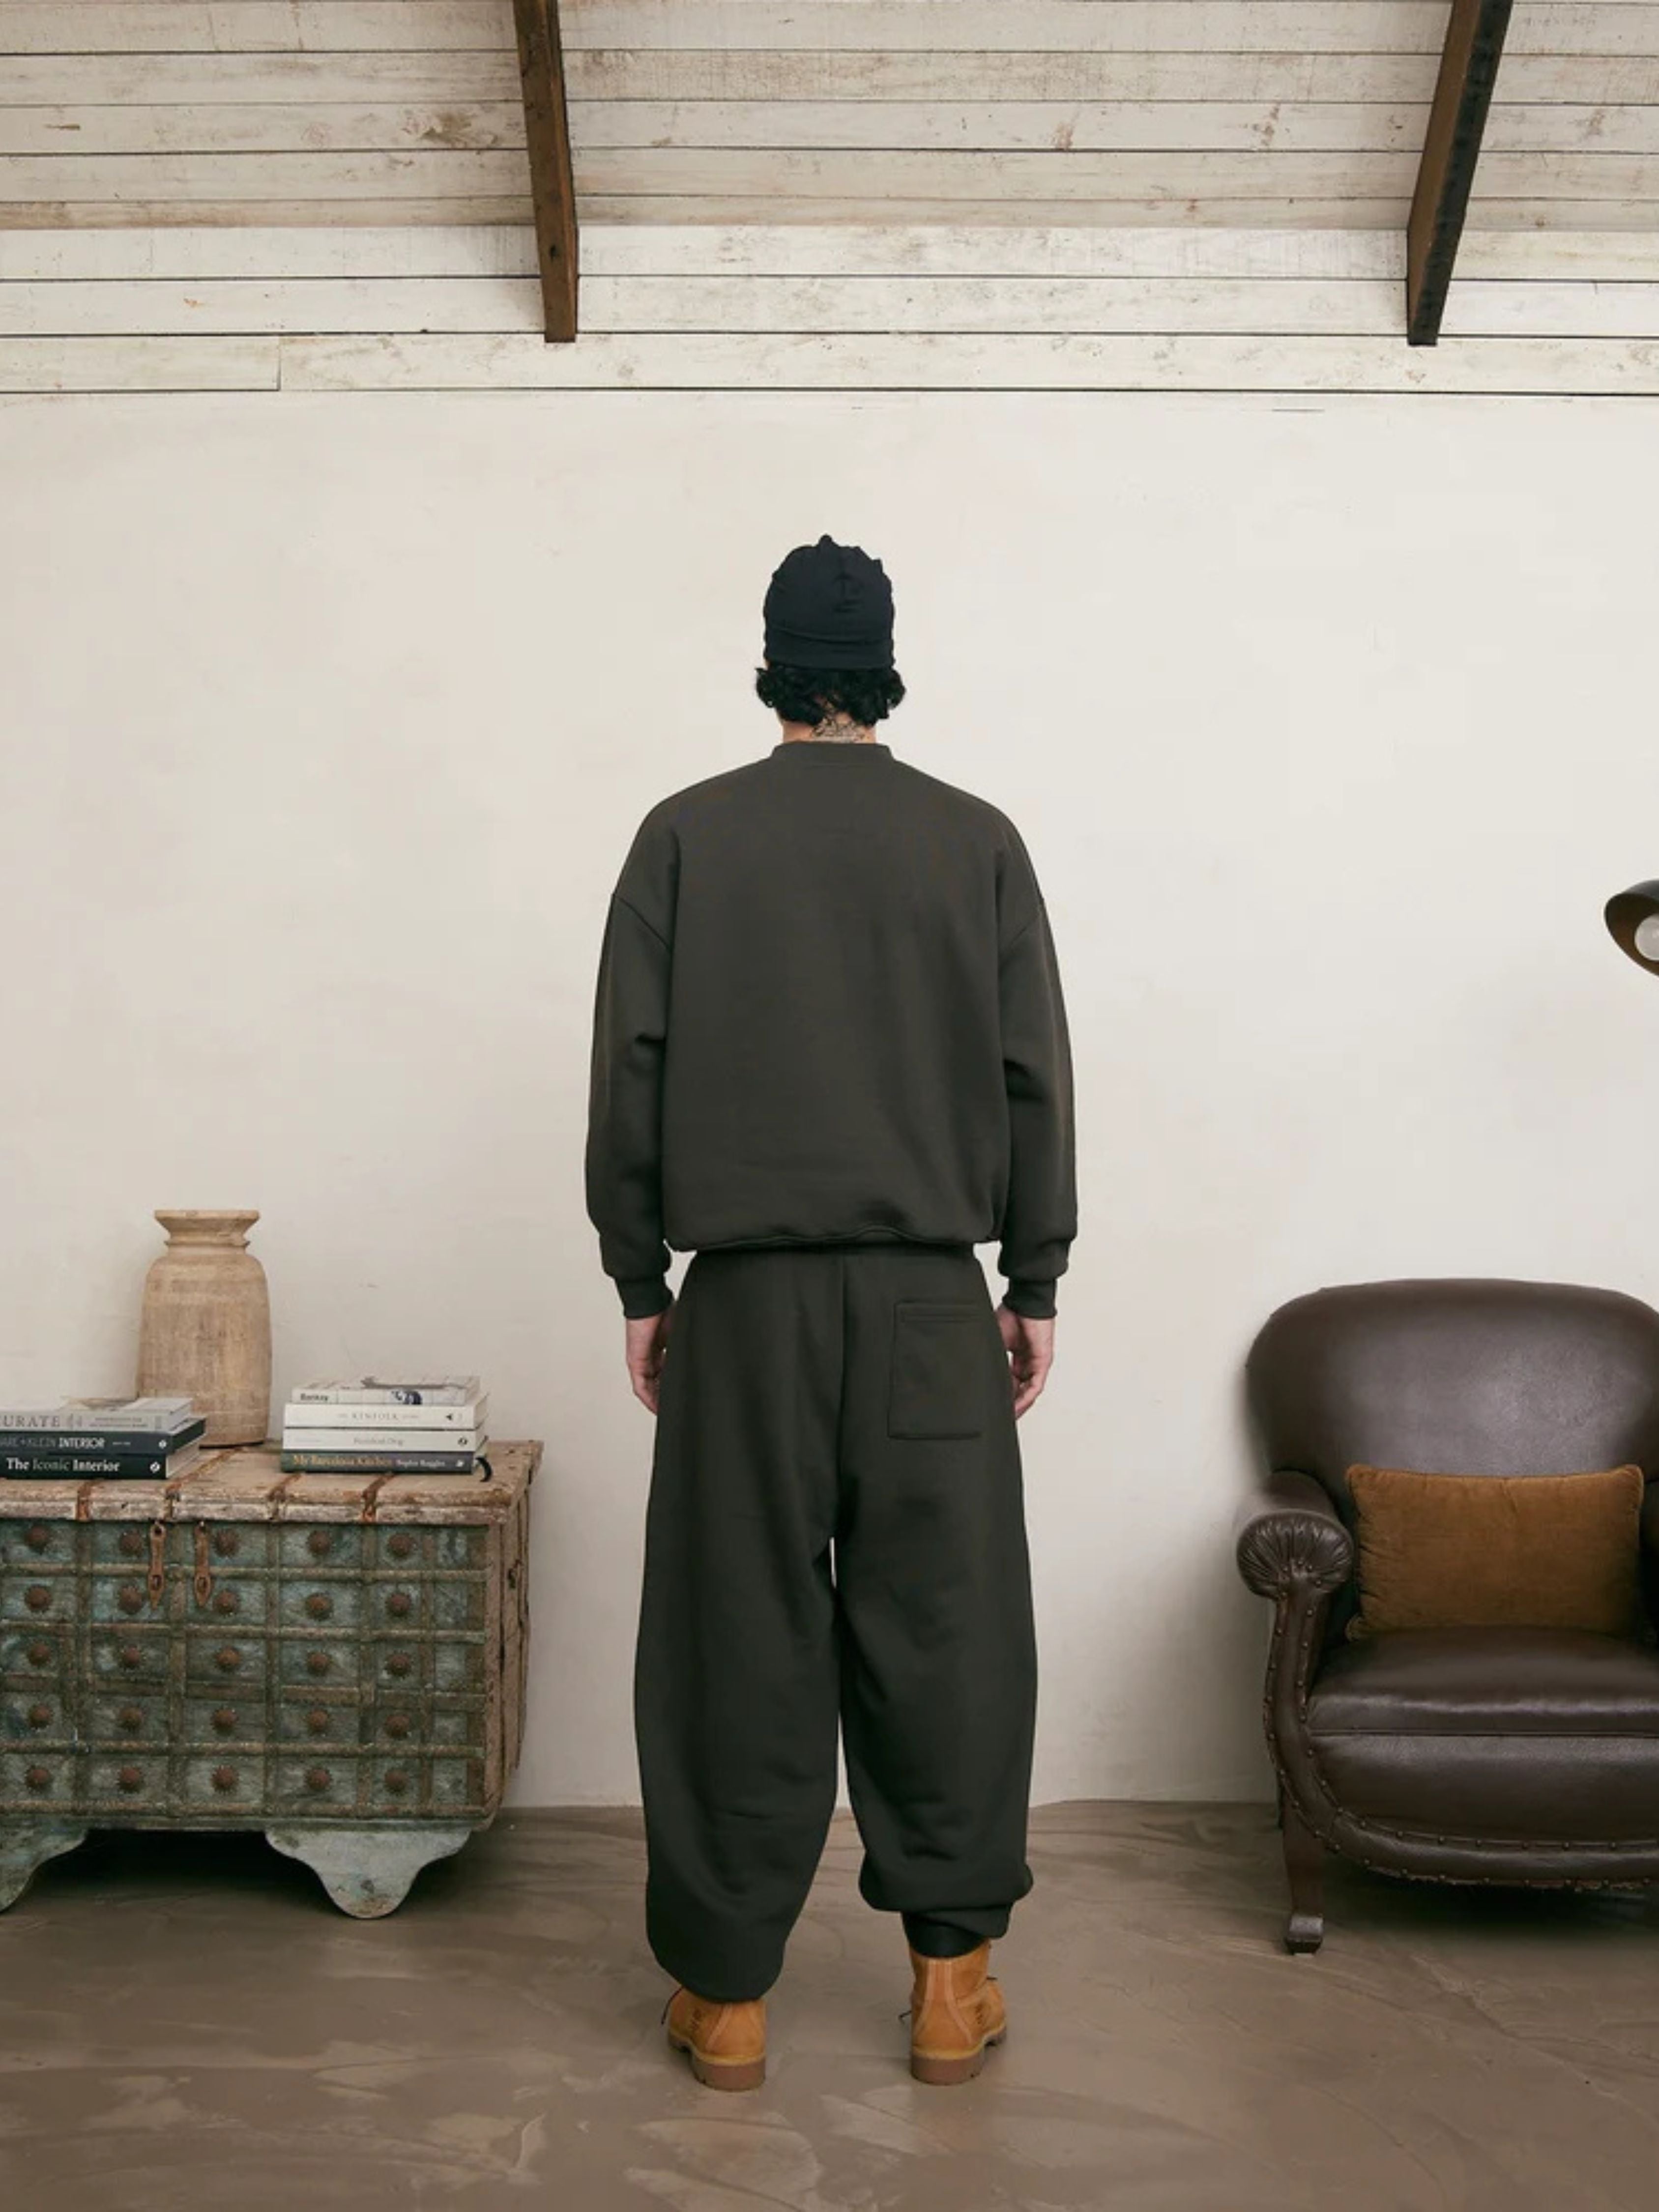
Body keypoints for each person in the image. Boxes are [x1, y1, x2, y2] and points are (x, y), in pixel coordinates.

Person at [585, 534, 1077, 2092]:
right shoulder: (976, 840)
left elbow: (632, 1072)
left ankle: (728, 1995)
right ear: (884, 668)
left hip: (744, 1309)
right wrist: (1033, 1279)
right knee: (952, 1635)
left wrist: (642, 1279)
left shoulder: (686, 835)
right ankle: (951, 1986)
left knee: (734, 1634)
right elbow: (1033, 1073)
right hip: (933, 1301)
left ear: (774, 666)